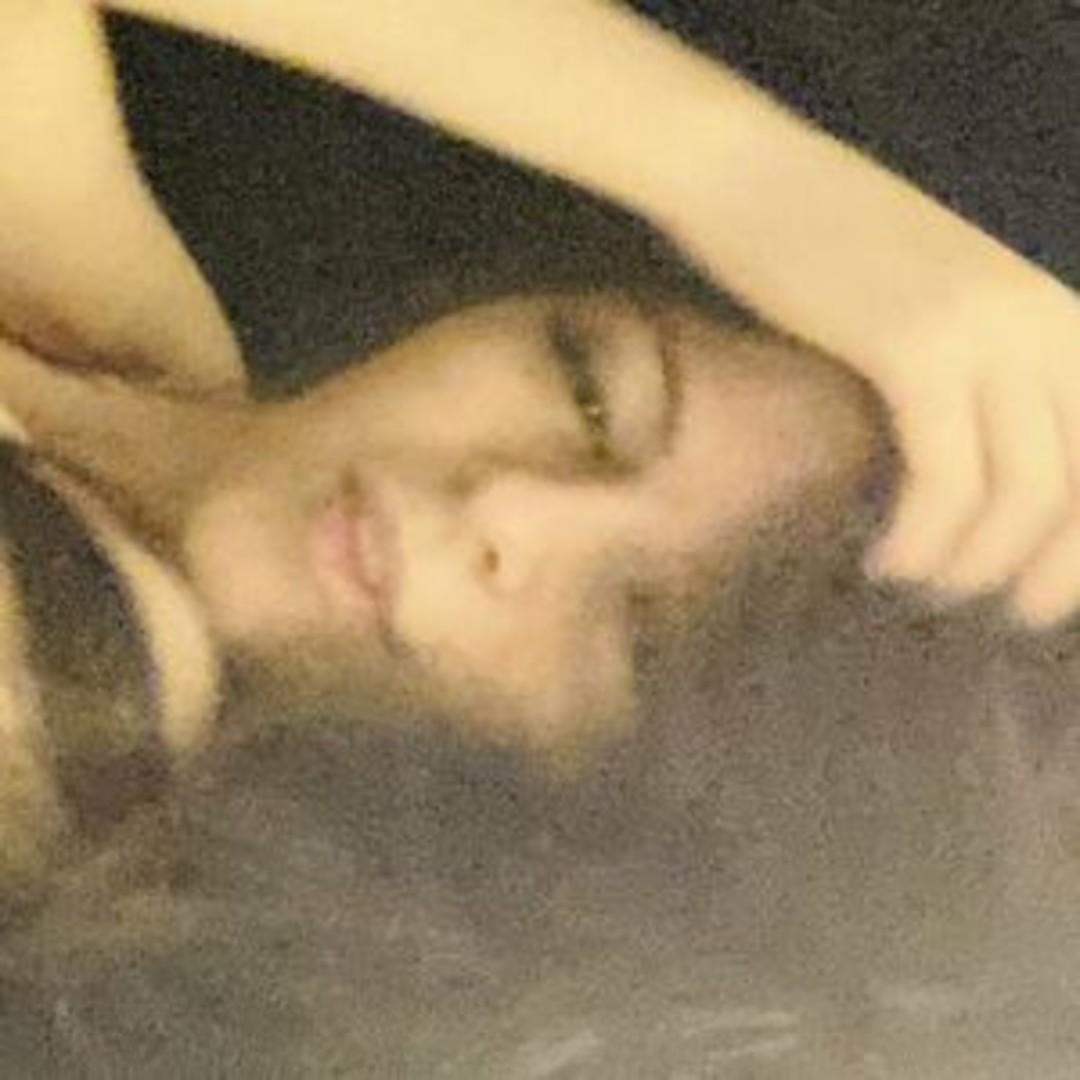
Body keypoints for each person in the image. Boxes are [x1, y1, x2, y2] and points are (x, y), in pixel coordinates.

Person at [5, 0, 1080, 626]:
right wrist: (737, 176)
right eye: (590, 398)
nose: (509, 508)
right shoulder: (109, 305)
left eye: (640, 626)